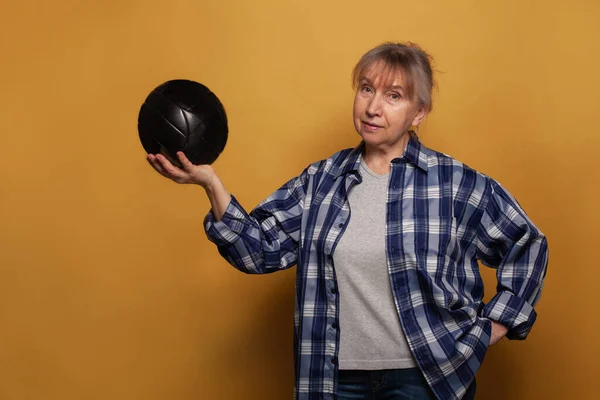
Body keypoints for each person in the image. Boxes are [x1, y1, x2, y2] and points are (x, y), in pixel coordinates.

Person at [146, 42, 549, 400]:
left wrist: (495, 325)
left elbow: (526, 244)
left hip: (425, 380)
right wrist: (210, 183)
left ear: (418, 113)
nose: (373, 107)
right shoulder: (321, 181)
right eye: (367, 89)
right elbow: (258, 251)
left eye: (394, 96)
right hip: (333, 380)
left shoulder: (456, 184)